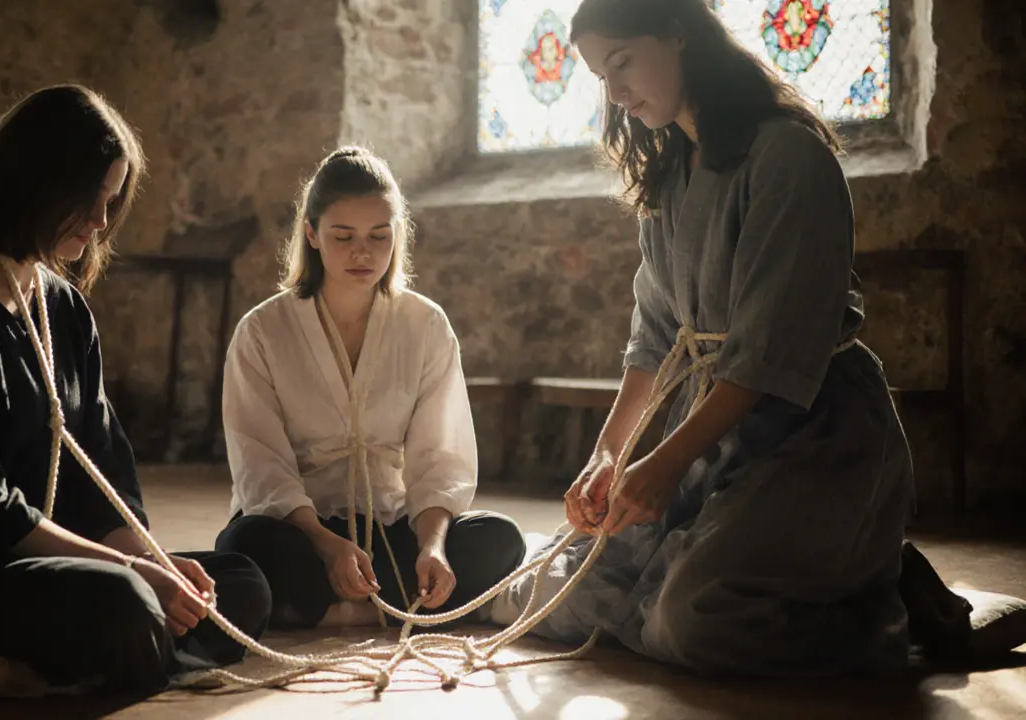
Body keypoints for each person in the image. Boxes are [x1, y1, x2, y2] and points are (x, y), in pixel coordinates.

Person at [490, 0, 974, 676]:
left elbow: (764, 357)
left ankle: (889, 595)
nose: (615, 91)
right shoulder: (667, 175)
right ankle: (754, 566)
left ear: (680, 34)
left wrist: (661, 467)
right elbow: (655, 340)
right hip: (709, 431)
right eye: (601, 75)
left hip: (811, 436)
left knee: (693, 622)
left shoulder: (789, 157)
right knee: (541, 596)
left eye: (623, 62)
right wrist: (608, 454)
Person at [0, 85, 271, 696]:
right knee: (123, 601)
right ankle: (142, 646)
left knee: (240, 581)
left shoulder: (63, 309)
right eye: (88, 201)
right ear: (34, 183)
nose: (99, 222)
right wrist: (135, 573)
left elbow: (102, 477)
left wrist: (158, 566)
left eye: (110, 203)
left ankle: (136, 645)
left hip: (36, 567)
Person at [214, 147, 527, 629]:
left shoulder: (425, 324)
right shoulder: (262, 331)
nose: (363, 252)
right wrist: (328, 544)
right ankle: (391, 608)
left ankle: (332, 612)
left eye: (379, 236)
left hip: (387, 525)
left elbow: (439, 458)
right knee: (247, 546)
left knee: (499, 539)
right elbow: (260, 463)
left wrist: (433, 547)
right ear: (312, 234)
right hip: (302, 531)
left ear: (397, 236)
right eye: (343, 236)